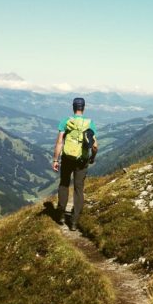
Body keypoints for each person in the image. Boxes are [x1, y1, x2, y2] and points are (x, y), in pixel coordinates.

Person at [52, 97, 97, 229]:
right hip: (82, 161)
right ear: (83, 108)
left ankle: (60, 214)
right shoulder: (90, 123)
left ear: (73, 107)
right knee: (78, 189)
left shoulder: (66, 121)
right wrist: (92, 157)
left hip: (67, 158)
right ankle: (74, 222)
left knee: (64, 184)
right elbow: (95, 146)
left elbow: (60, 142)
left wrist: (55, 159)